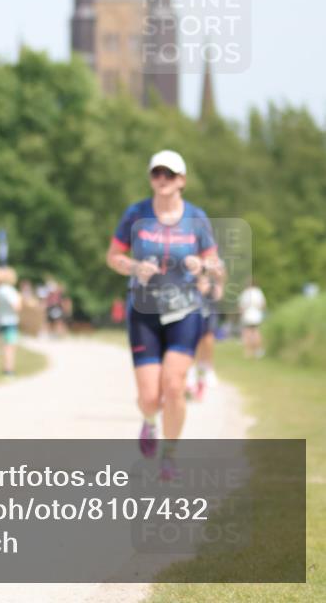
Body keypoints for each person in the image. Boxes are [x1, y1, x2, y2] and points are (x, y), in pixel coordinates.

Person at [106, 149, 224, 480]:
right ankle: (148, 422)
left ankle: (170, 454)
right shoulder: (136, 213)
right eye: (156, 174)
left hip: (184, 310)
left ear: (182, 181)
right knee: (149, 397)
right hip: (144, 310)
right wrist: (133, 267)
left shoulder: (196, 218)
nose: (161, 180)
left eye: (169, 174)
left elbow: (219, 268)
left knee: (173, 386)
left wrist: (203, 265)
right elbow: (113, 256)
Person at [0, 267, 22, 376]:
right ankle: (8, 369)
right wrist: (19, 299)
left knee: (5, 346)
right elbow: (17, 307)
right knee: (10, 346)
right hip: (10, 321)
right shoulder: (9, 290)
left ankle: (6, 367)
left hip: (1, 319)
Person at [238, 279, 266, 358]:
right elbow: (263, 305)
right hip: (257, 316)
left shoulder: (245, 293)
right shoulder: (258, 292)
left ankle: (247, 352)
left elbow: (241, 306)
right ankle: (258, 351)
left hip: (247, 316)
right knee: (256, 333)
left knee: (247, 333)